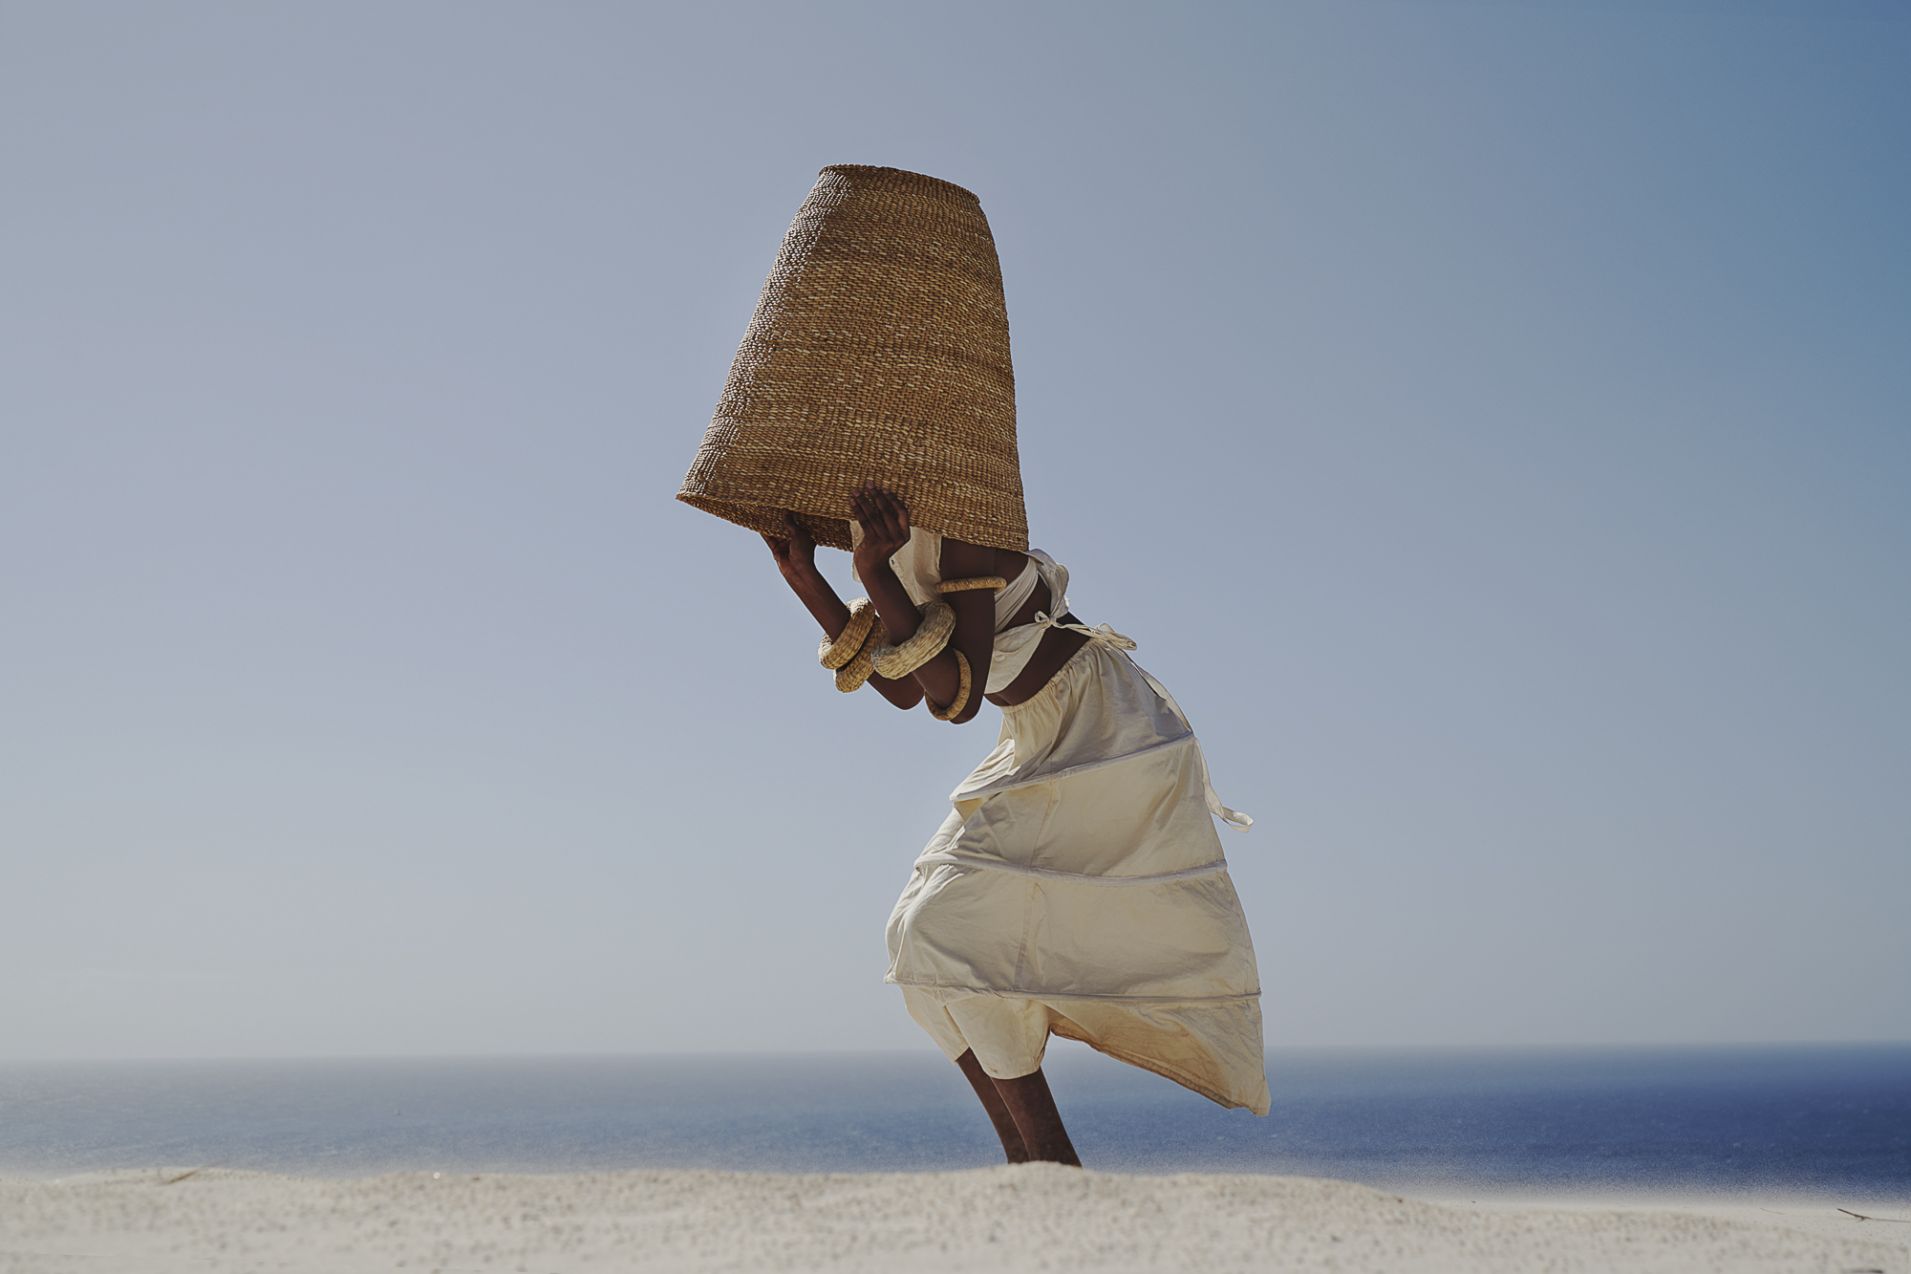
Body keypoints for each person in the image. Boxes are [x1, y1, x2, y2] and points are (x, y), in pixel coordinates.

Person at [764, 481, 1270, 1166]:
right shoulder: (884, 535)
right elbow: (902, 686)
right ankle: (1026, 1170)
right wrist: (805, 578)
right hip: (1037, 737)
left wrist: (874, 574)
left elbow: (956, 695)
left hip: (1107, 736)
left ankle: (1053, 1166)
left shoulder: (965, 519)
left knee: (941, 933)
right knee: (911, 947)